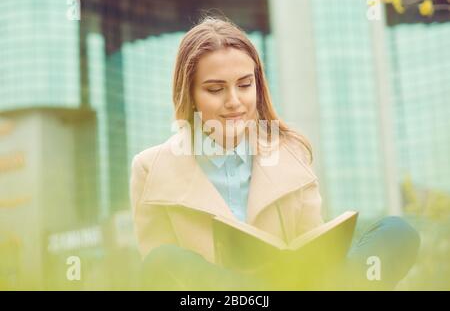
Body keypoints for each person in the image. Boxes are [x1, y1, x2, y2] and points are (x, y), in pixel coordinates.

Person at [129, 16, 420, 290]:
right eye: (215, 89)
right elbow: (163, 275)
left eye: (244, 85)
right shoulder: (150, 167)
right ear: (190, 94)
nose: (234, 101)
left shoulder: (291, 151)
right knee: (161, 261)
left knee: (397, 233)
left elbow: (312, 248)